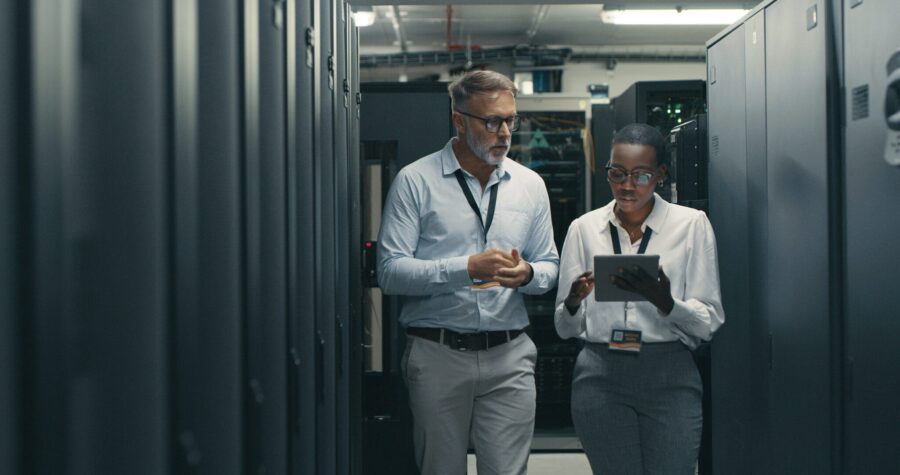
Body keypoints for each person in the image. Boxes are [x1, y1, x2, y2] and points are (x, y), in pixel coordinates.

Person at [377, 70, 559, 475]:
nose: (505, 132)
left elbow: (550, 267)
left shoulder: (530, 185)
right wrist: (465, 269)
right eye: (491, 121)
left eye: (511, 120)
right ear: (459, 120)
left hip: (510, 355)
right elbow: (390, 272)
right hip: (438, 354)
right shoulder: (416, 181)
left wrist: (528, 274)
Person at [554, 123, 724, 474]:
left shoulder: (691, 225)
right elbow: (564, 328)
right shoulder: (584, 229)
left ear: (661, 174)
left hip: (669, 373)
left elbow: (708, 323)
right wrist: (572, 302)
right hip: (600, 373)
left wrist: (666, 302)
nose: (627, 185)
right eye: (617, 173)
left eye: (641, 175)